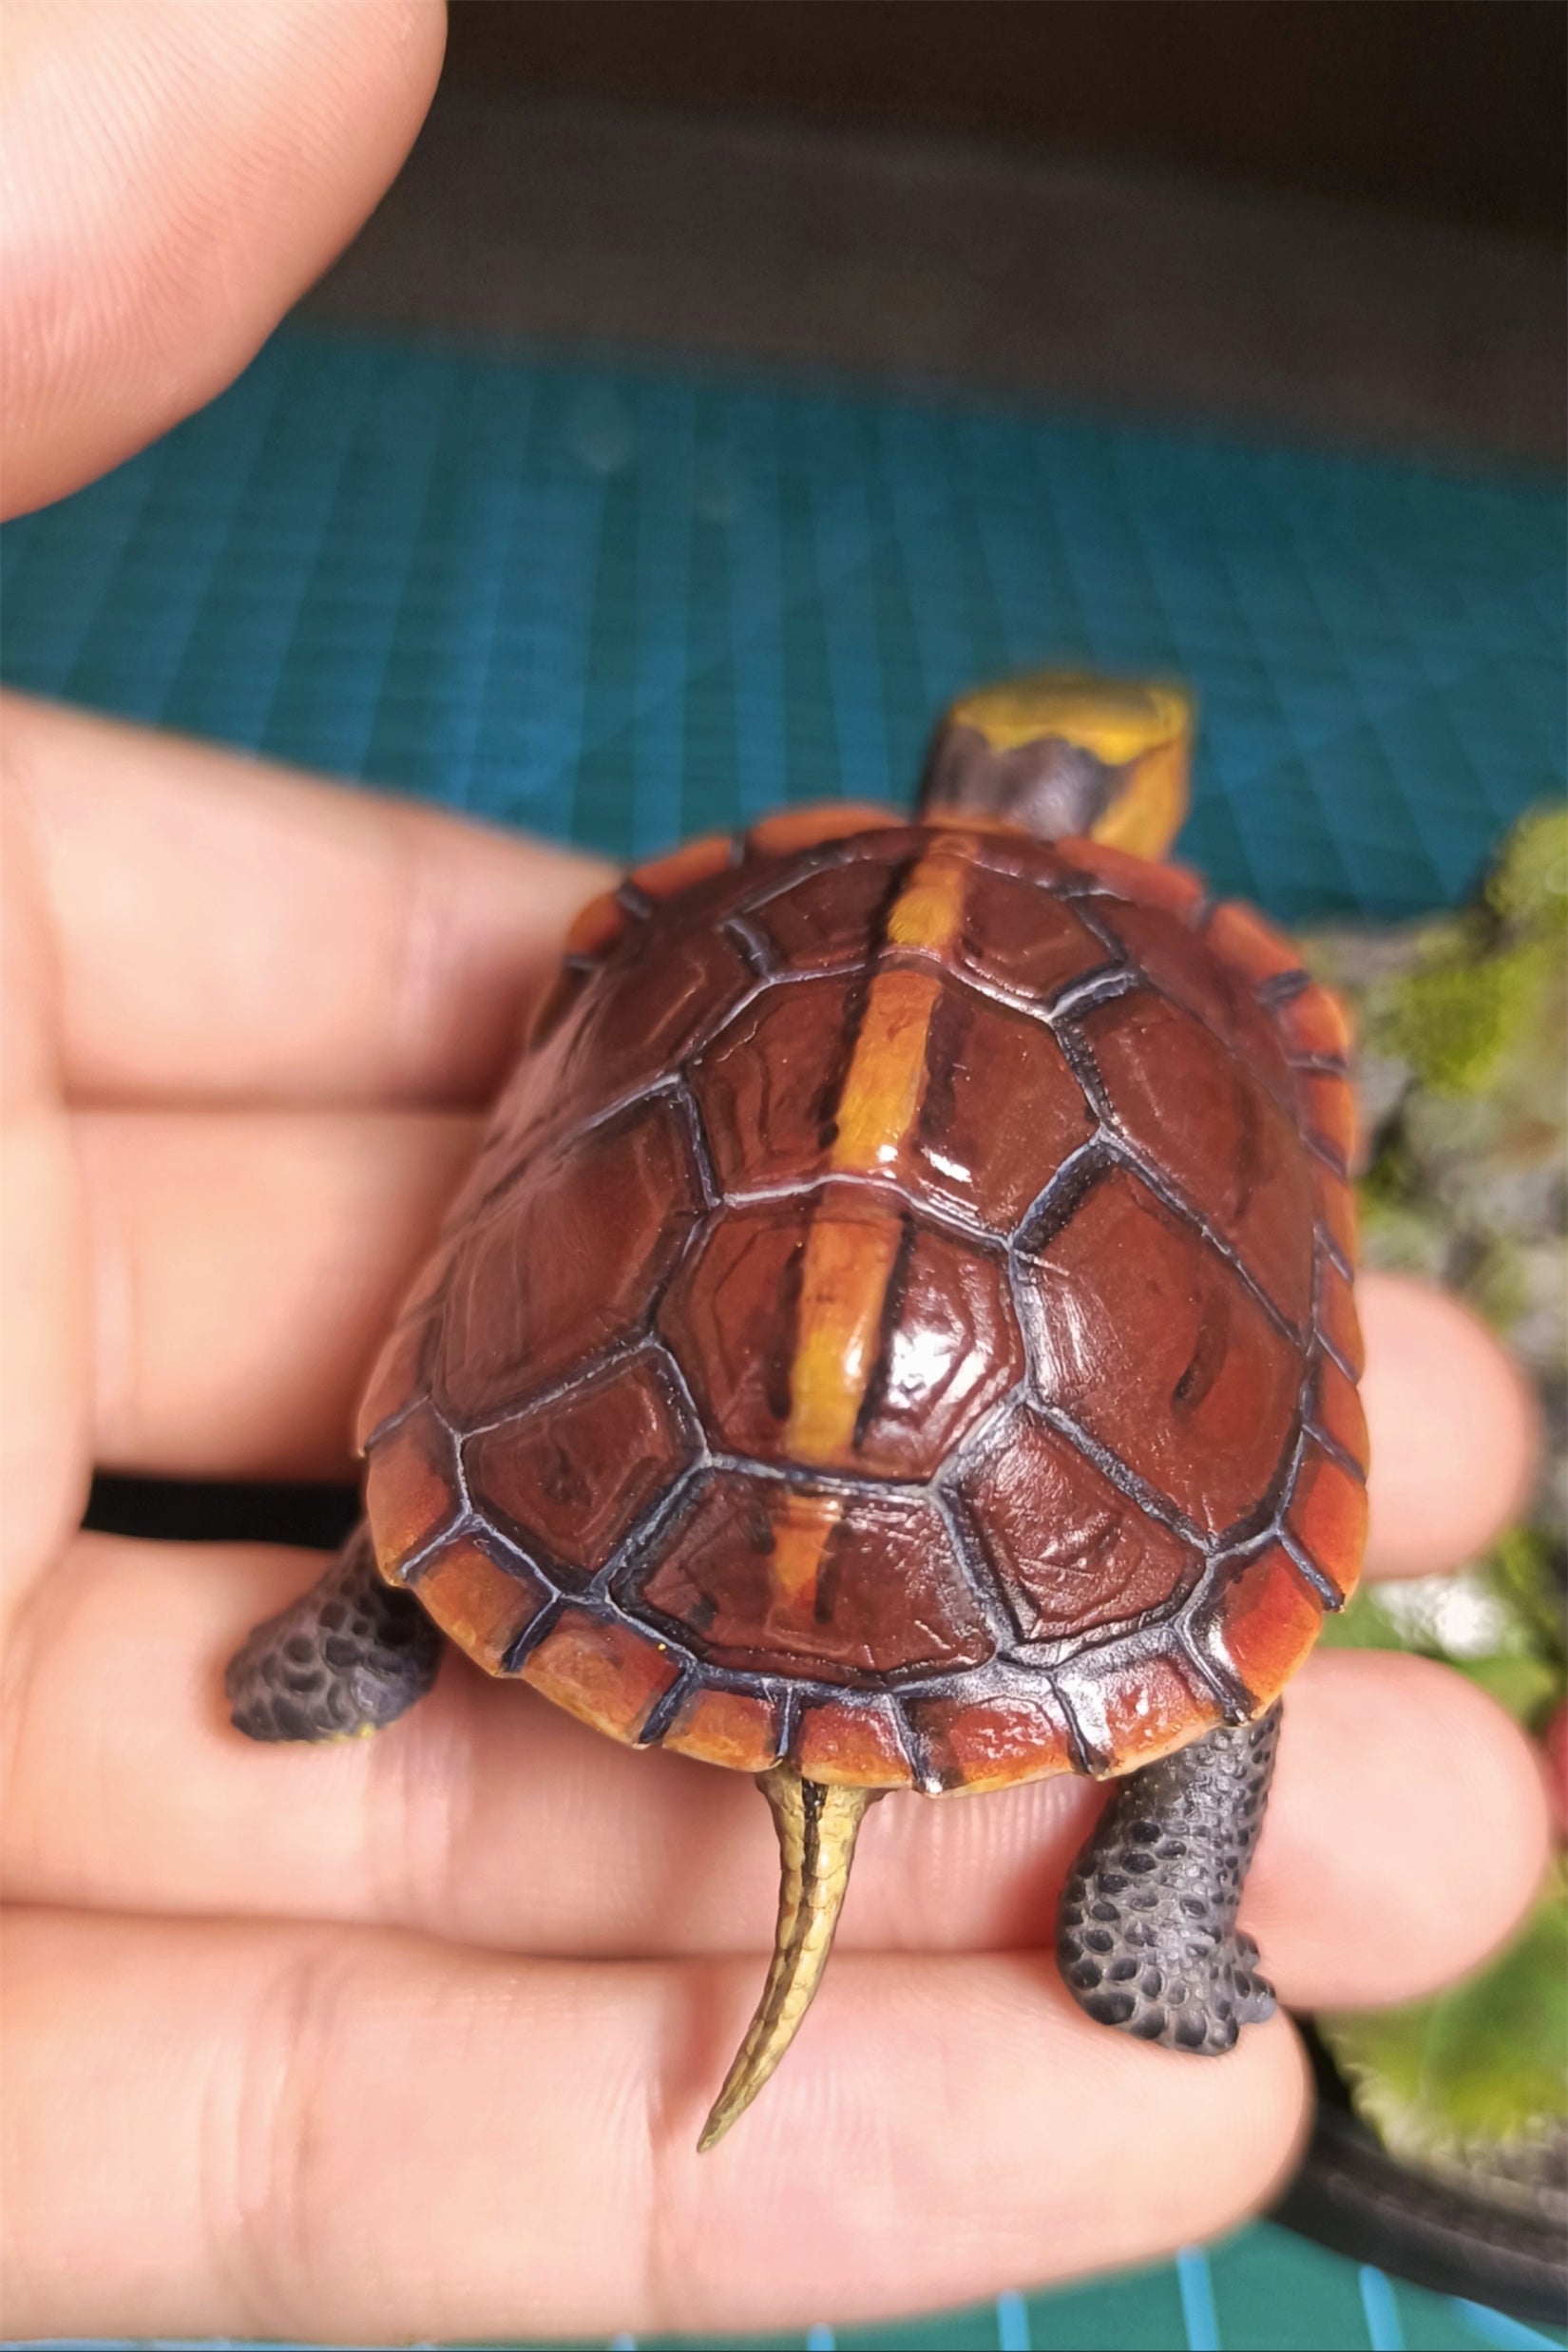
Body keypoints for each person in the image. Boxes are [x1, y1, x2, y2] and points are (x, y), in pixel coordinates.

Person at [0, 6, 1549, 2342]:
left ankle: (395, 1600)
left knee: (528, 1384)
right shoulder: (1215, 997)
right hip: (1063, 1550)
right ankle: (1151, 1907)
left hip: (604, 1451)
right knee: (1216, 1665)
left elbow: (546, 1167)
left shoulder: (725, 918)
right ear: (1139, 811)